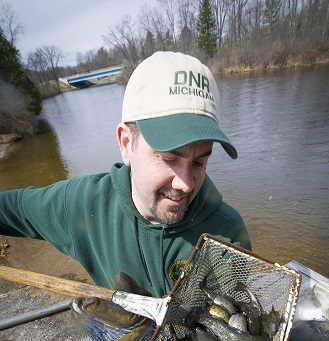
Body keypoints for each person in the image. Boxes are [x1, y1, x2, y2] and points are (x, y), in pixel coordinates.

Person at [0, 51, 251, 298]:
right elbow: (12, 210)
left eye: (199, 162)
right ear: (125, 144)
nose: (185, 184)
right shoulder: (81, 205)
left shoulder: (228, 237)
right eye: (169, 158)